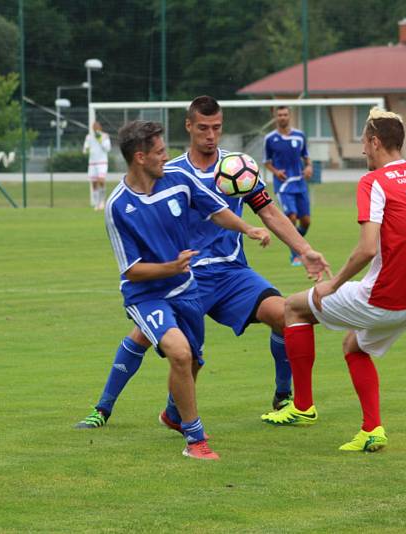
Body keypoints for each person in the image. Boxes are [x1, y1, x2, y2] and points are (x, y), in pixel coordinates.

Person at [75, 96, 330, 433]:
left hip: (231, 273)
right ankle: (103, 408)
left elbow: (267, 211)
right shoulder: (169, 171)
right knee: (145, 337)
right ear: (189, 127)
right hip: (185, 276)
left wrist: (304, 249)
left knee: (286, 315)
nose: (211, 135)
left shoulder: (238, 166)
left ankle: (284, 397)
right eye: (204, 128)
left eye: (217, 128)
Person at [93, 119, 270, 460]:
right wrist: (169, 268)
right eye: (160, 152)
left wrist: (249, 228)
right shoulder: (118, 205)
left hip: (185, 290)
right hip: (145, 295)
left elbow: (217, 211)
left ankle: (173, 417)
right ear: (141, 157)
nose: (167, 156)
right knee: (180, 352)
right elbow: (130, 270)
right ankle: (196, 441)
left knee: (193, 362)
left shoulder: (178, 180)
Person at [261, 108, 406, 453]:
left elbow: (367, 249)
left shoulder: (373, 182)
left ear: (374, 141)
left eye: (363, 144)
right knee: (354, 346)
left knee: (293, 308)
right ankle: (373, 430)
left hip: (382, 298)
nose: (362, 152)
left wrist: (334, 283)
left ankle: (302, 406)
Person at [264, 106, 313, 266]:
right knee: (291, 216)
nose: (283, 117)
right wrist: (276, 172)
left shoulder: (300, 136)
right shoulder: (270, 139)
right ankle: (296, 254)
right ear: (275, 117)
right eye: (280, 115)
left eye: (285, 114)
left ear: (289, 116)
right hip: (283, 185)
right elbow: (266, 162)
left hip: (300, 183)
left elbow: (306, 157)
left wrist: (309, 167)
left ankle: (297, 244)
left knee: (305, 221)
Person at [83, 121, 111, 210]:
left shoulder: (105, 136)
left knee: (101, 180)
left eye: (97, 127)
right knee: (94, 183)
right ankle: (96, 203)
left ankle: (102, 201)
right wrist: (86, 149)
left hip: (102, 162)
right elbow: (85, 149)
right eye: (94, 127)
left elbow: (108, 148)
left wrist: (100, 140)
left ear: (100, 127)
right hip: (92, 163)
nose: (95, 129)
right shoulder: (89, 137)